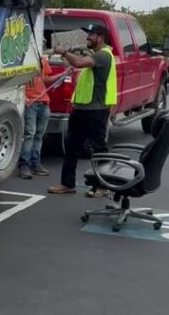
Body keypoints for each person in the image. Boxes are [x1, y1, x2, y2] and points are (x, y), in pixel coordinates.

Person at [48, 22, 117, 194]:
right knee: (72, 148)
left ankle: (102, 186)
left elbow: (78, 62)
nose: (87, 37)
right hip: (81, 109)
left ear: (100, 37)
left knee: (99, 149)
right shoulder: (95, 55)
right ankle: (67, 184)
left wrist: (64, 52)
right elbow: (79, 67)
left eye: (91, 35)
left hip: (96, 111)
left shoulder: (103, 55)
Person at [18, 54, 61, 179]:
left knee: (38, 135)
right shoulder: (21, 60)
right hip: (31, 103)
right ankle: (24, 166)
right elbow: (17, 83)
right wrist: (24, 98)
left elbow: (45, 79)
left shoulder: (42, 60)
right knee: (30, 134)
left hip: (43, 102)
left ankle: (35, 164)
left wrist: (61, 75)